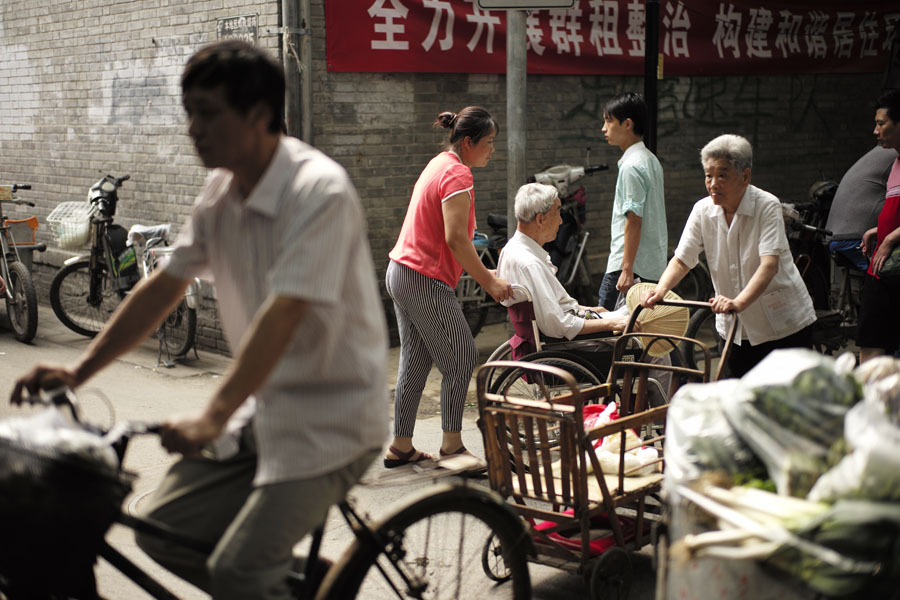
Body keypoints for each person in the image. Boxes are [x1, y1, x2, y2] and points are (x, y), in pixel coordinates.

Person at [11, 40, 388, 599]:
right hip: (264, 409)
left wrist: (212, 415)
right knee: (162, 533)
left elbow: (283, 315)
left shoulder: (318, 191)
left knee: (238, 573)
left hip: (333, 418)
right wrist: (78, 372)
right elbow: (163, 285)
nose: (193, 129)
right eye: (190, 113)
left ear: (258, 113)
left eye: (208, 113)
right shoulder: (220, 192)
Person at [385, 106, 512, 467]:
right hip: (423, 278)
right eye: (488, 143)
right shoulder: (458, 174)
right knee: (462, 359)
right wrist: (490, 282)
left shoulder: (439, 163)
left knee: (415, 363)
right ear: (468, 142)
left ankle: (401, 446)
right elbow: (457, 239)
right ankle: (452, 446)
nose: (492, 150)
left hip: (401, 272)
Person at [642, 134, 816, 378]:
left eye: (722, 175)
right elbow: (682, 260)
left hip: (782, 324)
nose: (713, 183)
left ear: (745, 176)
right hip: (735, 329)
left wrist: (738, 302)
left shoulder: (766, 206)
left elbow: (769, 265)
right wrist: (660, 291)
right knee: (738, 399)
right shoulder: (702, 211)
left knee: (783, 404)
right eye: (708, 176)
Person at [497, 182, 631, 339]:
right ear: (540, 220)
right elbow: (557, 325)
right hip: (568, 341)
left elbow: (555, 310)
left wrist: (589, 310)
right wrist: (611, 323)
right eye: (558, 213)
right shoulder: (530, 264)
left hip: (571, 322)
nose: (561, 221)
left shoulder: (511, 249)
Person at [597, 92, 668, 311]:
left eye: (609, 121)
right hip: (650, 266)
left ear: (627, 124)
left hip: (630, 268)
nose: (603, 128)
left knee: (605, 330)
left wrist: (626, 269)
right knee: (637, 334)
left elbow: (634, 220)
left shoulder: (632, 166)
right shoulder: (650, 159)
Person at [857, 89, 900, 363]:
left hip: (894, 264)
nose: (875, 131)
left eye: (881, 123)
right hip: (883, 268)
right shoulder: (896, 160)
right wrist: (879, 230)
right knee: (870, 342)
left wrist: (891, 238)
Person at [825, 144, 896, 271]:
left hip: (837, 236)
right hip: (858, 238)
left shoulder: (879, 153)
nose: (876, 131)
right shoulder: (894, 152)